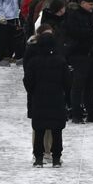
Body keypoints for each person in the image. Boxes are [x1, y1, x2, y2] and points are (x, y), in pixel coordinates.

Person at [23, 32, 68, 166]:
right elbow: (67, 82)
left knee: (39, 129)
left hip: (39, 99)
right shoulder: (60, 61)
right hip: (57, 99)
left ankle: (38, 158)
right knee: (57, 130)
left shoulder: (33, 62)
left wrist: (32, 92)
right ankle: (56, 158)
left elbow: (28, 81)